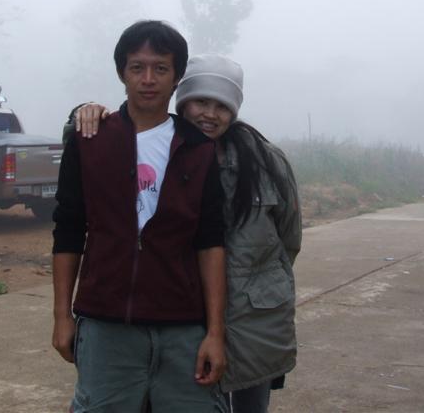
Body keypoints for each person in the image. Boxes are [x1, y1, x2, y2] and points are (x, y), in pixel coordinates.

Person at [75, 54, 301, 413]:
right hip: (182, 318)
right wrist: (82, 112)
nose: (210, 114)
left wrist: (253, 284)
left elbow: (289, 239)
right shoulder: (163, 150)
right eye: (200, 102)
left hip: (252, 320)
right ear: (182, 101)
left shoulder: (265, 161)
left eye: (222, 106)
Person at [52, 21, 228, 413]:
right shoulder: (90, 141)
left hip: (182, 326)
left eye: (160, 68)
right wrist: (62, 316)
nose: (148, 79)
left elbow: (210, 242)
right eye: (137, 67)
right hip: (106, 323)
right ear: (122, 73)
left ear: (176, 77)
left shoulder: (198, 149)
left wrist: (215, 332)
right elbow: (68, 230)